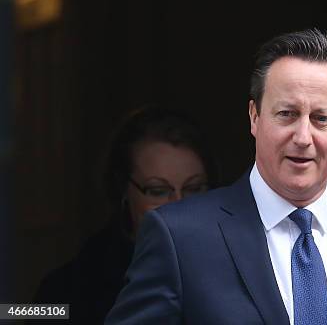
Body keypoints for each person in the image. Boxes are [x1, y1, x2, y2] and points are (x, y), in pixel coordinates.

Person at [106, 29, 327, 324]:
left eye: (322, 118)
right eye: (287, 114)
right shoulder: (178, 237)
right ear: (255, 117)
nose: (302, 136)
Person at [31, 106, 216, 324]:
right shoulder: (68, 291)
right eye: (158, 191)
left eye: (194, 189)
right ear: (123, 191)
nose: (178, 206)